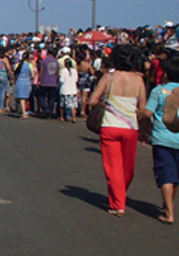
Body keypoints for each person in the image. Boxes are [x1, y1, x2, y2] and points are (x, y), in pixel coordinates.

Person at [88, 44, 147, 217]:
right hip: (130, 127)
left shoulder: (109, 77)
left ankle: (118, 202)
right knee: (127, 168)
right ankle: (120, 195)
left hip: (110, 125)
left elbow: (92, 100)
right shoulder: (138, 80)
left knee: (113, 166)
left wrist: (107, 102)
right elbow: (142, 107)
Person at [142, 53, 179, 224]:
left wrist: (138, 112)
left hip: (162, 137)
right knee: (175, 176)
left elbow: (148, 112)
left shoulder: (159, 91)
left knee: (165, 174)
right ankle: (167, 204)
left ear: (166, 74)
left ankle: (169, 212)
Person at [59, 52, 79, 123]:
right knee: (73, 105)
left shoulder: (64, 71)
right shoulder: (74, 71)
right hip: (73, 89)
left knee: (62, 104)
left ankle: (62, 117)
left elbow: (61, 80)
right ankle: (74, 117)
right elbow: (76, 79)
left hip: (65, 90)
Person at [14, 51, 34, 119]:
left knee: (22, 98)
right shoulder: (30, 65)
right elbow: (33, 75)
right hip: (27, 81)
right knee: (25, 98)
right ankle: (24, 112)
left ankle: (23, 112)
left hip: (19, 81)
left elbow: (15, 74)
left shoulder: (17, 65)